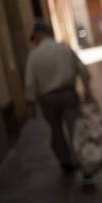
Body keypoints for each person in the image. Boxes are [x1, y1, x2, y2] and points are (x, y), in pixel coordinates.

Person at [24, 21, 92, 172]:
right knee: (75, 129)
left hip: (48, 99)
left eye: (34, 38)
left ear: (39, 35)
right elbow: (82, 69)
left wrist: (30, 104)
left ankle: (66, 162)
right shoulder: (64, 48)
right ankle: (82, 160)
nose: (34, 41)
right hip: (68, 94)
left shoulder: (34, 56)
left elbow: (29, 83)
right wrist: (87, 88)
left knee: (56, 130)